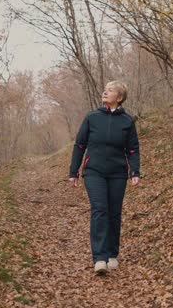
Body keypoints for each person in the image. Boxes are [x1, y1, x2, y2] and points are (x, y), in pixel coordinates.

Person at [68, 80, 141, 275]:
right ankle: (99, 258)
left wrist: (134, 171)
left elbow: (133, 149)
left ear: (119, 97)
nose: (105, 92)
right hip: (94, 172)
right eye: (105, 89)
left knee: (114, 212)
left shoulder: (127, 121)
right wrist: (73, 171)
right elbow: (80, 145)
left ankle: (111, 254)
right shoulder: (92, 117)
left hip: (117, 173)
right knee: (100, 209)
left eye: (110, 90)